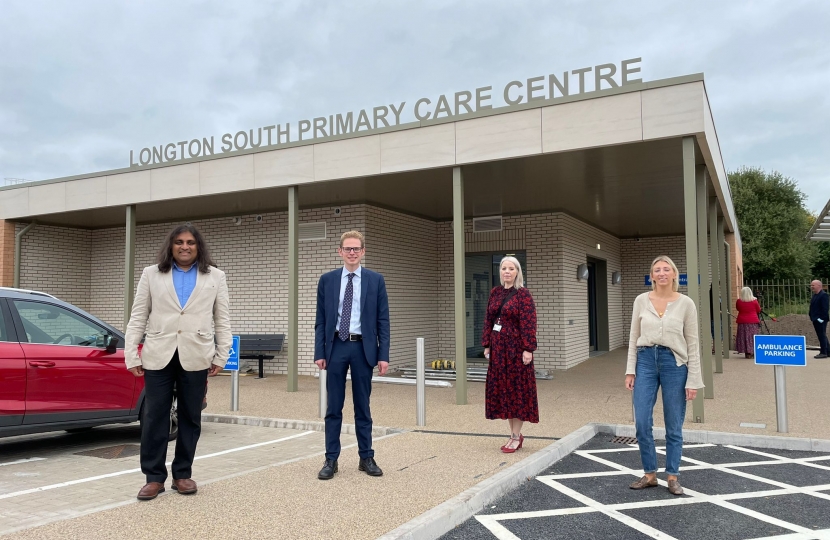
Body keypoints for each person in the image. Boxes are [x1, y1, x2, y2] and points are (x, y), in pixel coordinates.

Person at [125, 225, 231, 501]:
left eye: (191, 242)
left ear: (199, 246)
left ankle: (182, 474)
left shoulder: (215, 277)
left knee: (190, 418)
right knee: (154, 417)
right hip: (158, 354)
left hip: (196, 355)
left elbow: (222, 319)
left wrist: (222, 354)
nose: (185, 247)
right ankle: (153, 477)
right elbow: (138, 316)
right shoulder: (151, 274)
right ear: (171, 246)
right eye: (180, 242)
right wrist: (131, 354)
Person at [625, 255, 703, 496]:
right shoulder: (641, 300)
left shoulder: (686, 303)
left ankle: (672, 476)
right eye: (657, 270)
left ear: (673, 274)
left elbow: (692, 343)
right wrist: (630, 369)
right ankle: (650, 474)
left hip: (675, 364)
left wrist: (694, 380)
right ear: (652, 276)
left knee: (673, 424)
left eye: (665, 269)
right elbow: (633, 336)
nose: (661, 273)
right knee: (641, 421)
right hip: (645, 361)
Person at [315, 231, 390, 480]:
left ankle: (366, 456)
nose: (352, 253)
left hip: (362, 349)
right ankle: (331, 459)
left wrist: (383, 355)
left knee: (363, 406)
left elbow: (383, 320)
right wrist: (319, 352)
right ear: (340, 252)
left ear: (363, 251)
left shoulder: (375, 280)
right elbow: (321, 320)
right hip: (335, 347)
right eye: (347, 249)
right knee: (333, 407)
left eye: (356, 249)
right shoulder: (327, 280)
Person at [482, 256, 538, 453]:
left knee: (517, 392)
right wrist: (487, 344)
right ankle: (513, 435)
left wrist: (528, 348)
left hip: (516, 350)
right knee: (505, 392)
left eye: (511, 268)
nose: (507, 271)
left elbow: (529, 323)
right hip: (499, 350)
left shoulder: (523, 295)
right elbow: (488, 320)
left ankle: (515, 436)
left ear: (517, 272)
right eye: (504, 268)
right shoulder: (495, 293)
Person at [735, 287, 762, 358]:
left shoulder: (739, 301)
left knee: (744, 337)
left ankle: (746, 352)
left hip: (742, 322)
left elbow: (738, 308)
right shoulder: (754, 301)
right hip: (753, 321)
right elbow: (758, 310)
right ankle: (752, 351)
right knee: (752, 337)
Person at [810, 280, 829, 359]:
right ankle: (828, 351)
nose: (811, 287)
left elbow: (825, 309)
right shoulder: (815, 295)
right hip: (815, 319)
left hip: (821, 320)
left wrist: (820, 319)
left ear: (819, 286)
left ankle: (823, 352)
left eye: (813, 285)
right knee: (822, 335)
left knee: (822, 336)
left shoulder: (823, 295)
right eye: (811, 285)